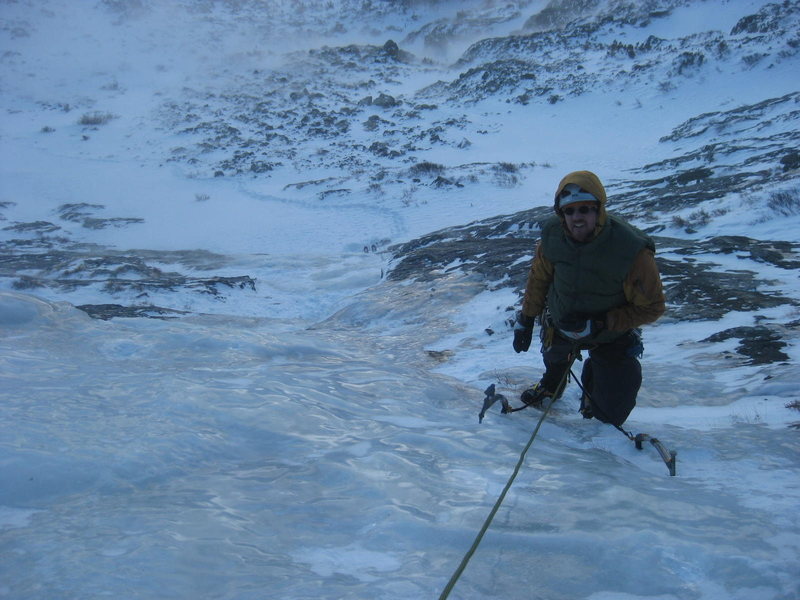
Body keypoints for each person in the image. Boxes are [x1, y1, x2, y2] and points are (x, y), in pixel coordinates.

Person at [512, 170, 665, 427]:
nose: (577, 218)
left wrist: (602, 323)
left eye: (585, 209)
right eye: (569, 212)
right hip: (562, 326)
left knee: (609, 415)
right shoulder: (552, 238)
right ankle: (551, 386)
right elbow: (539, 281)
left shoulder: (630, 249)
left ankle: (596, 385)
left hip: (610, 335)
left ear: (599, 210)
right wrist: (526, 319)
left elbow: (652, 307)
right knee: (555, 357)